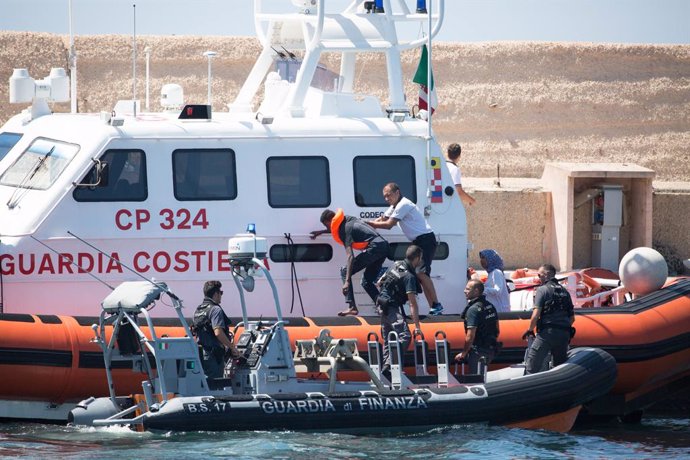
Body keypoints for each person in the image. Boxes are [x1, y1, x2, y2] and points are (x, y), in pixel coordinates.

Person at [367, 182, 444, 315]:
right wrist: (368, 225)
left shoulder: (404, 204)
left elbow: (389, 224)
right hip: (418, 241)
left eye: (388, 195)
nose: (386, 199)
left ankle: (436, 304)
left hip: (425, 240)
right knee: (421, 275)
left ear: (397, 192)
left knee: (421, 273)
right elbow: (382, 218)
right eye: (384, 196)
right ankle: (434, 307)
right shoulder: (395, 206)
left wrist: (371, 224)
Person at [310, 208, 389, 316]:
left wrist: (347, 281)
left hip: (375, 248)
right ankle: (383, 306)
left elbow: (350, 257)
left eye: (326, 225)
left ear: (330, 220)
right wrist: (321, 232)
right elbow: (333, 228)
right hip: (383, 246)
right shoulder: (349, 219)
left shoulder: (345, 230)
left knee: (344, 270)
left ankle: (352, 307)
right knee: (366, 281)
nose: (327, 228)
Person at [376, 245, 423, 375]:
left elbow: (379, 282)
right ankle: (391, 363)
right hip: (391, 306)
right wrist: (417, 326)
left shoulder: (397, 265)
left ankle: (386, 368)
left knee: (388, 338)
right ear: (418, 258)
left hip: (381, 305)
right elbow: (413, 304)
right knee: (405, 335)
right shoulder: (409, 277)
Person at [522, 264, 575, 375]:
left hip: (547, 334)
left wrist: (530, 329)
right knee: (559, 369)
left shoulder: (542, 290)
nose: (538, 278)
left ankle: (528, 390)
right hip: (564, 334)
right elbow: (572, 318)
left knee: (532, 366)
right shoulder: (565, 292)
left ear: (546, 275)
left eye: (539, 275)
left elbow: (536, 315)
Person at [192, 280, 238, 379]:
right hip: (213, 356)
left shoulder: (198, 309)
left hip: (200, 355)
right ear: (216, 294)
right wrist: (232, 347)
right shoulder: (215, 309)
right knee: (216, 387)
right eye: (220, 293)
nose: (221, 295)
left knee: (205, 384)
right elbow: (218, 332)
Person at [454, 279, 500, 376]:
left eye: (467, 289)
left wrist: (464, 353)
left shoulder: (473, 310)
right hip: (490, 349)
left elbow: (470, 335)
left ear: (476, 291)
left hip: (478, 351)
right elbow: (497, 329)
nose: (464, 291)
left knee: (476, 379)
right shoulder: (490, 306)